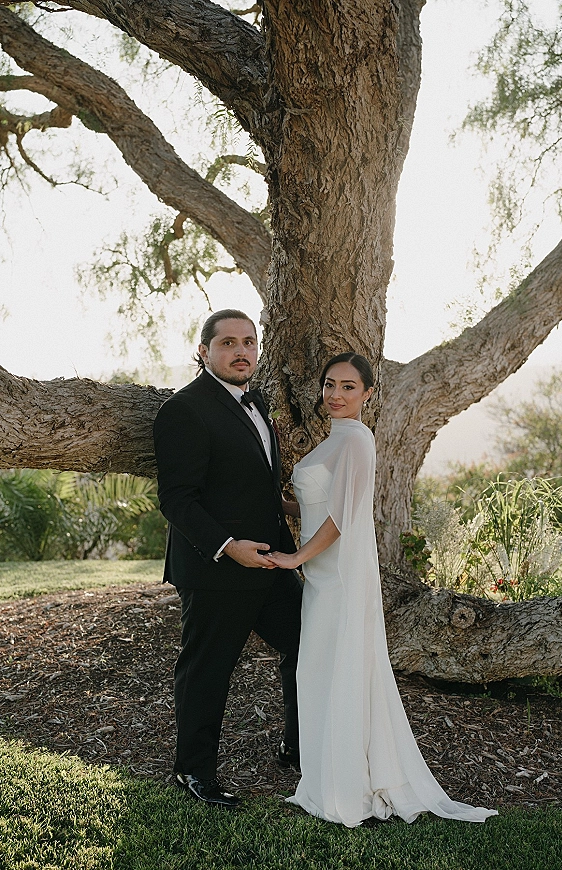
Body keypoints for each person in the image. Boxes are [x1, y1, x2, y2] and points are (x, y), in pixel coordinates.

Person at [268, 353, 498, 827]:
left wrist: (295, 558)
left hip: (340, 579)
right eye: (330, 384)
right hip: (324, 577)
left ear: (368, 394)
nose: (335, 395)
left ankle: (349, 783)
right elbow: (318, 505)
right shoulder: (335, 438)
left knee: (339, 669)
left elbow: (341, 518)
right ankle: (327, 774)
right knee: (320, 670)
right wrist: (279, 503)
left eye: (348, 387)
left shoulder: (357, 440)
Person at [153, 309, 302, 808]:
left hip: (273, 563)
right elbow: (177, 499)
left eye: (249, 343)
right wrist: (228, 548)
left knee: (308, 644)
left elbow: (248, 483)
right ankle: (192, 773)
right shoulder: (185, 409)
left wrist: (286, 508)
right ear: (204, 351)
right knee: (207, 670)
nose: (241, 352)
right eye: (228, 343)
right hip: (217, 569)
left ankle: (295, 745)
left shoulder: (255, 402)